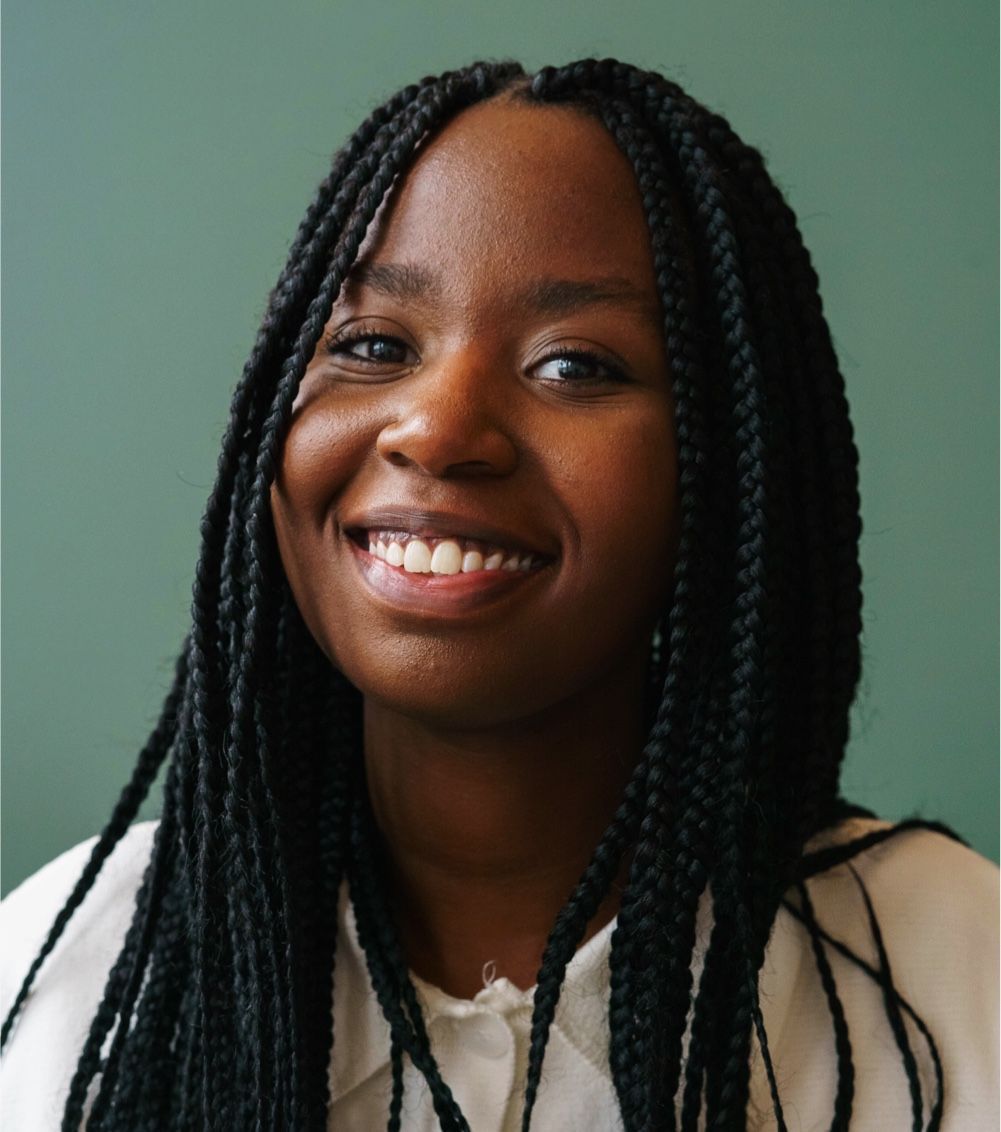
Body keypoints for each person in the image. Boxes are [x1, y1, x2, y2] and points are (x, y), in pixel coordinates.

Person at [0, 58, 996, 1132]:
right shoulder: (67, 981)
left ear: (728, 466)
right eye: (374, 345)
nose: (433, 427)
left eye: (573, 366)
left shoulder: (952, 983)